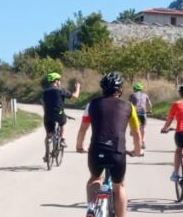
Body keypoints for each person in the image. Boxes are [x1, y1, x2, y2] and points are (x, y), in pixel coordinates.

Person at [80, 72, 145, 217]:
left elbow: (83, 129)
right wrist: (137, 150)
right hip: (117, 152)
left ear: (103, 89)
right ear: (120, 90)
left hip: (96, 150)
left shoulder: (91, 104)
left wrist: (79, 146)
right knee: (119, 186)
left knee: (95, 178)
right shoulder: (129, 106)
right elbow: (136, 133)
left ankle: (91, 208)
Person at [42, 72, 80, 162]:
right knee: (63, 123)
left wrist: (46, 112)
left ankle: (47, 154)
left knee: (48, 135)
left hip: (48, 115)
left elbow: (43, 104)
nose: (60, 82)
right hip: (59, 113)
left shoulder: (45, 92)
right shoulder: (60, 90)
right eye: (59, 80)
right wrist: (78, 87)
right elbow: (76, 96)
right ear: (56, 81)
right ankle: (62, 140)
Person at [129, 82, 152, 148]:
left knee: (134, 128)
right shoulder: (145, 95)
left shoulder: (132, 95)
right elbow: (149, 104)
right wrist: (150, 110)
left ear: (134, 89)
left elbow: (129, 104)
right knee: (143, 128)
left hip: (135, 113)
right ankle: (143, 141)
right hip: (143, 113)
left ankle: (134, 137)